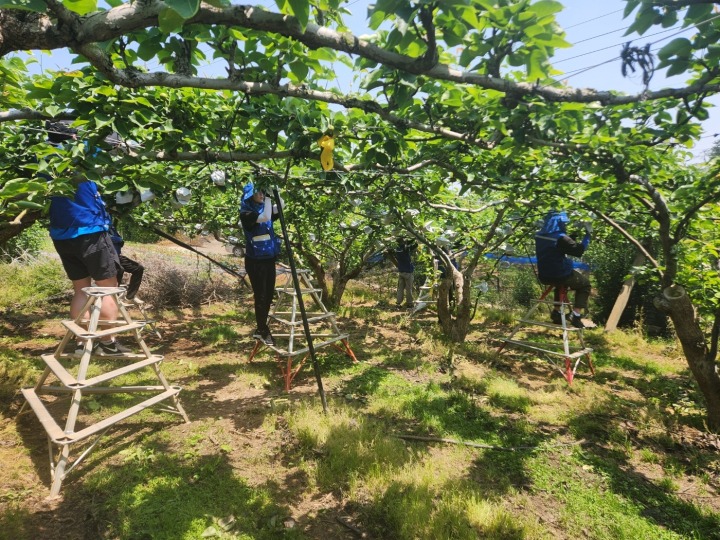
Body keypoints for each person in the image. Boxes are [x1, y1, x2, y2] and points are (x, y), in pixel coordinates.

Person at [46, 122, 125, 355]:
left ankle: (82, 344)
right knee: (108, 289)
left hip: (62, 234)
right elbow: (112, 143)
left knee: (80, 290)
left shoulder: (43, 158)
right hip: (89, 232)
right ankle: (108, 343)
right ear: (72, 134)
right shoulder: (82, 152)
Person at [239, 183, 282, 346]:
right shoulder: (247, 213)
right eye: (259, 192)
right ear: (250, 195)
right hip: (256, 261)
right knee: (261, 296)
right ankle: (262, 329)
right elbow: (265, 217)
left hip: (269, 259)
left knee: (269, 295)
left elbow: (281, 207)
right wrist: (270, 198)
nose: (262, 195)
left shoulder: (264, 207)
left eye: (263, 193)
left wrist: (274, 191)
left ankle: (261, 328)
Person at [534, 210, 592, 328]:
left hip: (544, 275)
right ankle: (575, 315)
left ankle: (557, 312)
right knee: (585, 285)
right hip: (560, 274)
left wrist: (572, 236)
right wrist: (588, 234)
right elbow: (578, 251)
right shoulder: (561, 238)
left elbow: (559, 246)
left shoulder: (539, 235)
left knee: (560, 284)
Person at [108, 222, 145, 302]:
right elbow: (107, 240)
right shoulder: (99, 226)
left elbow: (120, 241)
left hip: (117, 255)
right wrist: (117, 240)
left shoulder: (111, 227)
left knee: (138, 268)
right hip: (106, 256)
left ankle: (130, 296)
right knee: (119, 269)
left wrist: (117, 240)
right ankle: (115, 297)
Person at [394, 238, 415, 308]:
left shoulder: (397, 249)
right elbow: (414, 246)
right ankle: (409, 303)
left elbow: (408, 243)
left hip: (401, 271)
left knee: (400, 288)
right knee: (409, 288)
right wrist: (415, 238)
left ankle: (398, 303)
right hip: (408, 272)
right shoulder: (405, 249)